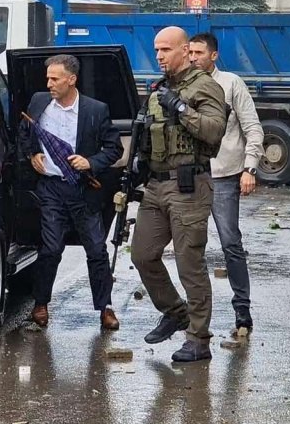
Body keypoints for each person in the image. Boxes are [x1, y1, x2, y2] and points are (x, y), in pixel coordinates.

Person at [131, 26, 226, 363]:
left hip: (188, 186)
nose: (159, 56)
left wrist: (182, 109)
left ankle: (199, 340)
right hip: (156, 185)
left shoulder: (204, 86)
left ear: (185, 51)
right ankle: (175, 312)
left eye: (166, 50)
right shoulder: (159, 88)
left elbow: (214, 131)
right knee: (142, 255)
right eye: (157, 50)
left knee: (190, 263)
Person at [22, 54, 123, 330]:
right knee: (51, 248)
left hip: (83, 190)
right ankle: (40, 304)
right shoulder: (39, 102)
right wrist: (32, 154)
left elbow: (114, 148)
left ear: (71, 79)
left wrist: (91, 162)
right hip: (51, 188)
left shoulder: (95, 110)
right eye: (48, 78)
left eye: (55, 79)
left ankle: (105, 308)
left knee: (97, 250)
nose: (49, 84)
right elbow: (24, 134)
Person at [189, 32, 264, 332]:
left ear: (214, 55)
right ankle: (196, 314)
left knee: (231, 242)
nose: (193, 58)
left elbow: (253, 128)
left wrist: (250, 168)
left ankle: (242, 309)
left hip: (224, 177)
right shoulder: (183, 86)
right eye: (190, 52)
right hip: (191, 177)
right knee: (190, 246)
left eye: (199, 53)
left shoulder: (231, 84)